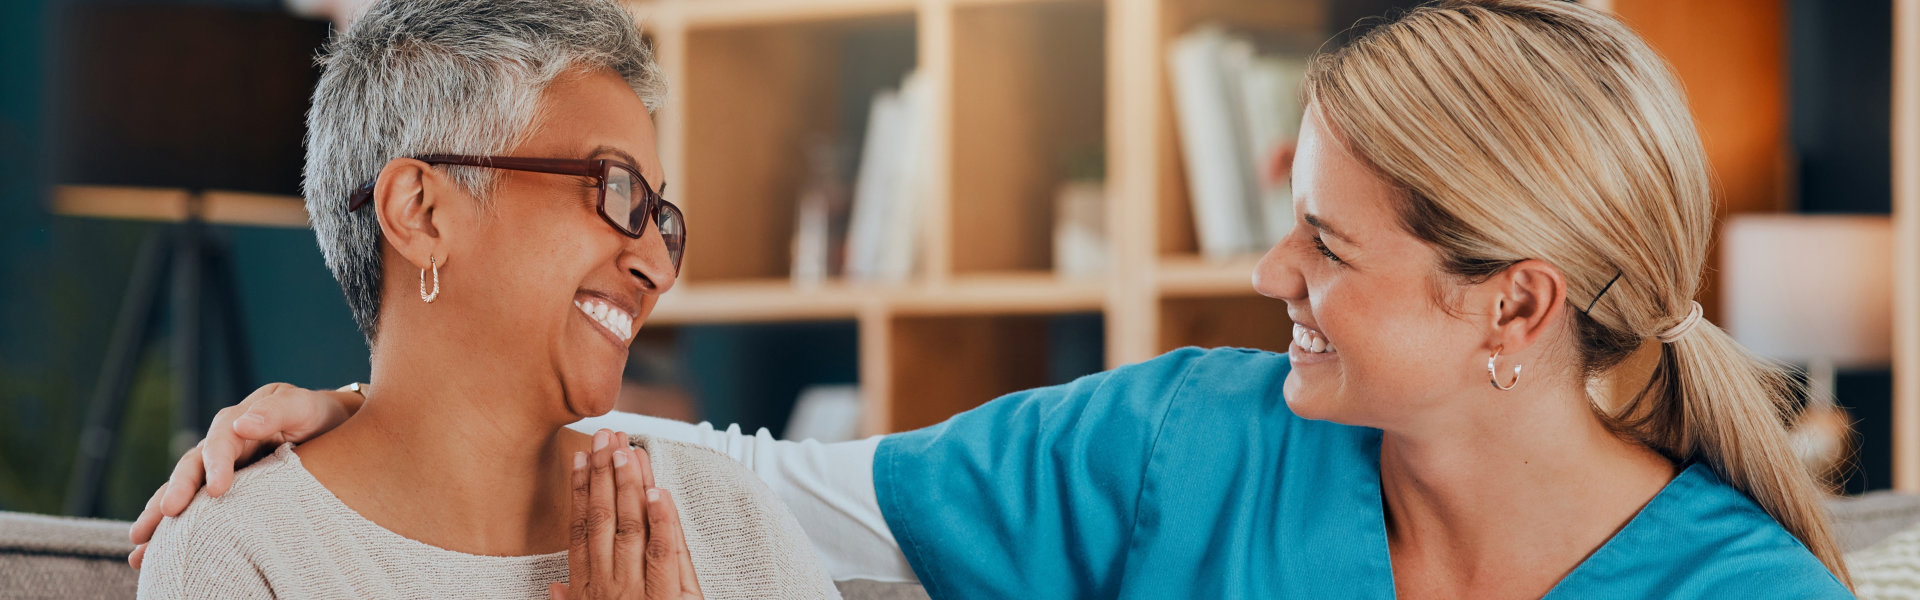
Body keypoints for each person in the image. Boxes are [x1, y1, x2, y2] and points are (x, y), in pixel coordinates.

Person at [132, 0, 1855, 597]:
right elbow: (774, 484)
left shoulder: (1741, 596)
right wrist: (386, 418)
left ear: (1515, 308)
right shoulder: (1193, 442)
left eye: (1330, 246)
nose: (1272, 280)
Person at [132, 0, 839, 598]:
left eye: (662, 219)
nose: (658, 265)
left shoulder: (725, 517)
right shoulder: (240, 555)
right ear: (422, 213)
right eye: (617, 189)